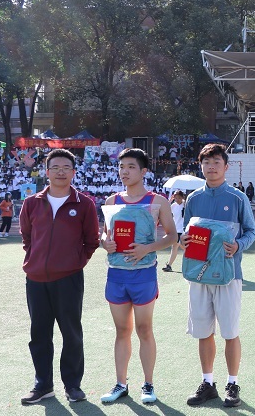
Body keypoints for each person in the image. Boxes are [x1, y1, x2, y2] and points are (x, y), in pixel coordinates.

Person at [19, 148, 100, 404]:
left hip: (69, 279)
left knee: (71, 333)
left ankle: (72, 385)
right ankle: (43, 385)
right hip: (36, 279)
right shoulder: (31, 203)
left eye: (66, 168)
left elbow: (91, 241)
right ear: (47, 172)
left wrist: (74, 263)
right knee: (39, 334)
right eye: (55, 168)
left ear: (74, 172)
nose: (60, 172)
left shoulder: (84, 204)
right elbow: (27, 238)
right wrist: (36, 261)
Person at [181, 143, 255, 408]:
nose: (211, 167)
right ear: (200, 166)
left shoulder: (237, 198)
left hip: (229, 274)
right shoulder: (193, 199)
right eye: (206, 162)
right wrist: (183, 240)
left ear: (226, 166)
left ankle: (232, 383)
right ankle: (208, 383)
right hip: (199, 275)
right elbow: (187, 232)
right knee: (203, 331)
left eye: (216, 162)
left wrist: (238, 245)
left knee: (230, 331)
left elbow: (251, 231)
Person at [99, 148, 176, 404]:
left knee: (144, 329)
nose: (125, 171)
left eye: (131, 167)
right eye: (122, 167)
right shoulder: (112, 201)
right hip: (116, 274)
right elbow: (105, 234)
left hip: (143, 275)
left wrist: (147, 248)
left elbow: (172, 236)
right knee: (122, 330)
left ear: (143, 171)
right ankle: (121, 384)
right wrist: (104, 243)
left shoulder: (158, 201)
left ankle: (148, 384)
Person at [163, 190, 186, 272]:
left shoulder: (185, 204)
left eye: (179, 198)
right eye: (176, 198)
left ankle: (191, 262)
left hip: (183, 229)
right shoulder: (173, 205)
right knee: (175, 247)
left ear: (182, 197)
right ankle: (169, 265)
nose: (177, 199)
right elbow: (165, 210)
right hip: (176, 228)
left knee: (181, 246)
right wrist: (170, 201)